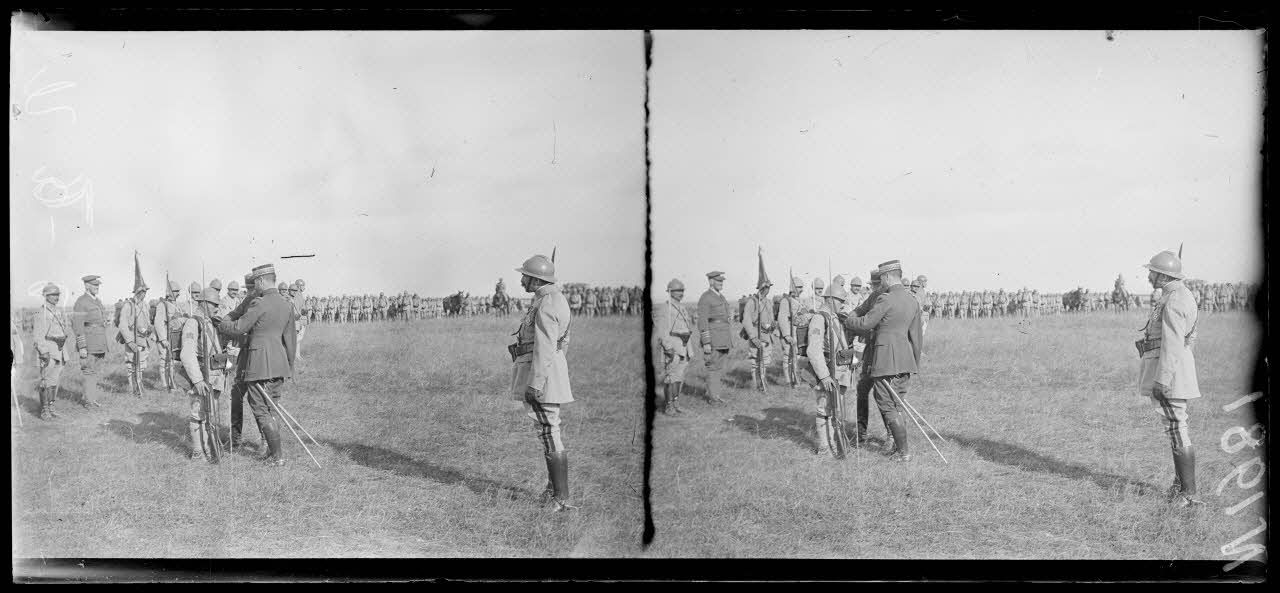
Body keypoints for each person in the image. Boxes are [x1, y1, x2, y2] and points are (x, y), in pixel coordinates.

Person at [1137, 250, 1204, 507]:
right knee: (1176, 428)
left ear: (1164, 276)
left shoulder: (1175, 299)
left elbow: (1174, 343)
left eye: (1152, 272)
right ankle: (1180, 487)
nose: (1149, 276)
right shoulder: (1176, 295)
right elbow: (1189, 339)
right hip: (1175, 370)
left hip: (1169, 374)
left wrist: (1163, 379)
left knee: (1177, 428)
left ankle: (1188, 495)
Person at [510, 254, 577, 511]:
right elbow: (563, 343)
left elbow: (546, 346)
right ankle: (552, 492)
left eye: (525, 276)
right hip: (549, 372)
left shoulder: (547, 302)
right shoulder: (553, 299)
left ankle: (560, 499)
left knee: (549, 431)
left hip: (541, 376)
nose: (521, 281)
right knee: (548, 431)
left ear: (536, 279)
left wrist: (536, 382)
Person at [844, 260, 923, 462]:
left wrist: (848, 320)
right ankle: (899, 449)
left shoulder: (885, 299)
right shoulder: (912, 300)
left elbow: (865, 323)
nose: (880, 283)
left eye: (881, 278)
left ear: (887, 277)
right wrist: (914, 364)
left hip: (885, 360)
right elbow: (916, 337)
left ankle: (904, 453)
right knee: (897, 404)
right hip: (905, 361)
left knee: (886, 404)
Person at [218, 263, 296, 466]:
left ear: (261, 281)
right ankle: (272, 452)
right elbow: (290, 339)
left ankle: (277, 457)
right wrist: (289, 366)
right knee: (272, 408)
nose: (253, 287)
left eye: (255, 283)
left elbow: (239, 327)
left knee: (260, 409)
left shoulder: (259, 303)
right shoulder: (286, 304)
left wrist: (223, 324)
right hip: (279, 364)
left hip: (259, 364)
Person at [804, 283, 858, 457]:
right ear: (830, 299)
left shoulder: (834, 317)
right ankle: (824, 448)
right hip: (827, 373)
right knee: (824, 409)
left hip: (839, 372)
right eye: (840, 301)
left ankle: (834, 444)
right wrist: (824, 376)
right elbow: (814, 350)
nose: (842, 304)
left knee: (836, 410)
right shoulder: (820, 318)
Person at [178, 288, 231, 463]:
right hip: (201, 376)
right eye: (214, 304)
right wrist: (197, 380)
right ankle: (197, 452)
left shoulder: (211, 322)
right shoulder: (193, 323)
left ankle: (208, 448)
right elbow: (187, 353)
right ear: (204, 303)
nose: (217, 308)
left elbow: (216, 349)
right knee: (198, 413)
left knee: (209, 414)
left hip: (214, 376)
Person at [33, 283, 71, 420]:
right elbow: (38, 335)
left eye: (57, 294)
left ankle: (51, 407)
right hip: (49, 349)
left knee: (54, 381)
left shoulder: (58, 311)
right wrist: (43, 352)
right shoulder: (41, 313)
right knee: (45, 380)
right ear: (46, 296)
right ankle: (44, 411)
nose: (56, 297)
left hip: (60, 349)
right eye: (53, 295)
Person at [655, 278, 693, 414]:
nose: (681, 293)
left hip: (684, 346)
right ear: (670, 291)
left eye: (682, 290)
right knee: (671, 377)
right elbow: (662, 330)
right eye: (677, 290)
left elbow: (686, 327)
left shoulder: (682, 307)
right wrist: (668, 347)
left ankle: (676, 403)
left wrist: (689, 349)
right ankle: (669, 406)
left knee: (679, 377)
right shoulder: (665, 308)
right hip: (673, 346)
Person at [71, 275, 108, 408]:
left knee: (95, 372)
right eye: (94, 285)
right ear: (87, 286)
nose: (97, 287)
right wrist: (82, 346)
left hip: (100, 342)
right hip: (89, 343)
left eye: (98, 285)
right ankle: (89, 401)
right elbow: (77, 325)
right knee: (88, 371)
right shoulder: (81, 302)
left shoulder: (97, 301)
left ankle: (91, 398)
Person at [697, 271, 733, 405]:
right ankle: (713, 398)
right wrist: (706, 342)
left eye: (722, 281)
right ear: (711, 281)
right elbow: (702, 321)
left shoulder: (721, 297)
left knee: (718, 368)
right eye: (718, 281)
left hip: (723, 338)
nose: (721, 283)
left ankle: (715, 395)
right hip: (713, 339)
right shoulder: (706, 297)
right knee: (712, 367)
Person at [741, 260, 775, 392]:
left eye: (769, 287)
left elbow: (771, 318)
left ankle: (762, 382)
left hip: (767, 335)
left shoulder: (768, 302)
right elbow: (746, 320)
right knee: (755, 361)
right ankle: (756, 385)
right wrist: (753, 337)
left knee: (765, 361)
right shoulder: (752, 302)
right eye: (766, 287)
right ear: (761, 287)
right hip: (756, 335)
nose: (768, 289)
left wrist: (772, 327)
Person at [118, 273, 153, 398]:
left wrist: (149, 329)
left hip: (143, 340)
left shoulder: (145, 305)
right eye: (143, 291)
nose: (145, 293)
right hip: (132, 340)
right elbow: (122, 325)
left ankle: (139, 386)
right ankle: (133, 389)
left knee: (141, 365)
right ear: (138, 292)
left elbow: (147, 321)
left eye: (145, 291)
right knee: (131, 365)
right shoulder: (128, 306)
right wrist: (130, 342)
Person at [153, 280, 187, 393]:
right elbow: (158, 323)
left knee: (171, 362)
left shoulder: (176, 305)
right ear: (169, 292)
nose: (178, 294)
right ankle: (165, 385)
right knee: (165, 361)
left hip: (173, 338)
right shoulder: (162, 305)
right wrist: (163, 339)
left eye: (178, 291)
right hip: (165, 338)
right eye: (176, 291)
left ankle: (172, 384)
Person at [776, 277, 806, 388]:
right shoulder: (786, 301)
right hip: (789, 332)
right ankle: (788, 380)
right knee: (787, 356)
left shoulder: (799, 300)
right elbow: (782, 318)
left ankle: (795, 378)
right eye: (798, 287)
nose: (800, 289)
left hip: (798, 332)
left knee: (796, 357)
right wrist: (787, 335)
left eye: (801, 287)